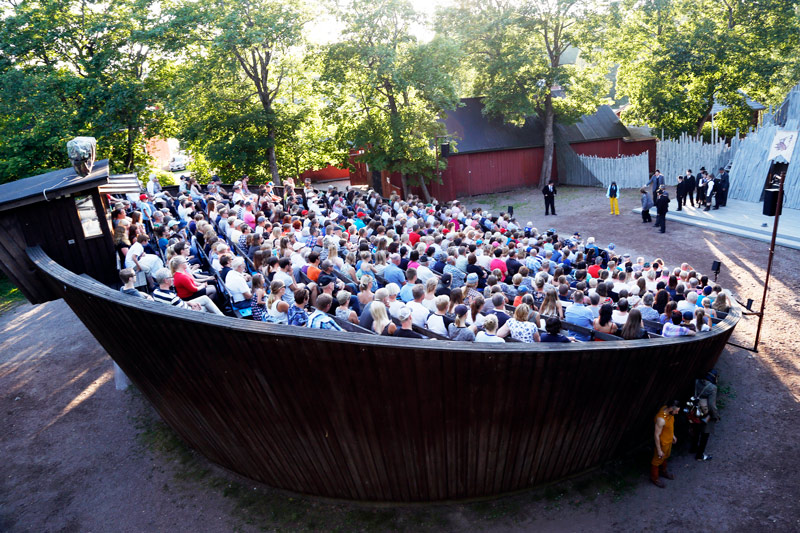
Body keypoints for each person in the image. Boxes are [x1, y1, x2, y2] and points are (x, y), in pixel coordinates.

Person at [689, 370, 720, 461]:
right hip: (705, 413)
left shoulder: (697, 382)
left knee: (696, 431)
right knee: (705, 434)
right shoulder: (712, 388)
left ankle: (693, 448)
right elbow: (711, 405)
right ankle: (700, 455)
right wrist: (715, 416)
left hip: (694, 410)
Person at [651, 400, 681, 488]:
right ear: (671, 408)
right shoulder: (661, 420)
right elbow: (656, 435)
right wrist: (659, 450)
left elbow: (669, 426)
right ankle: (654, 478)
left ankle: (663, 472)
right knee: (657, 460)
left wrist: (673, 436)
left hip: (668, 441)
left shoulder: (668, 411)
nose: (677, 413)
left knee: (666, 456)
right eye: (676, 411)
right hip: (662, 444)